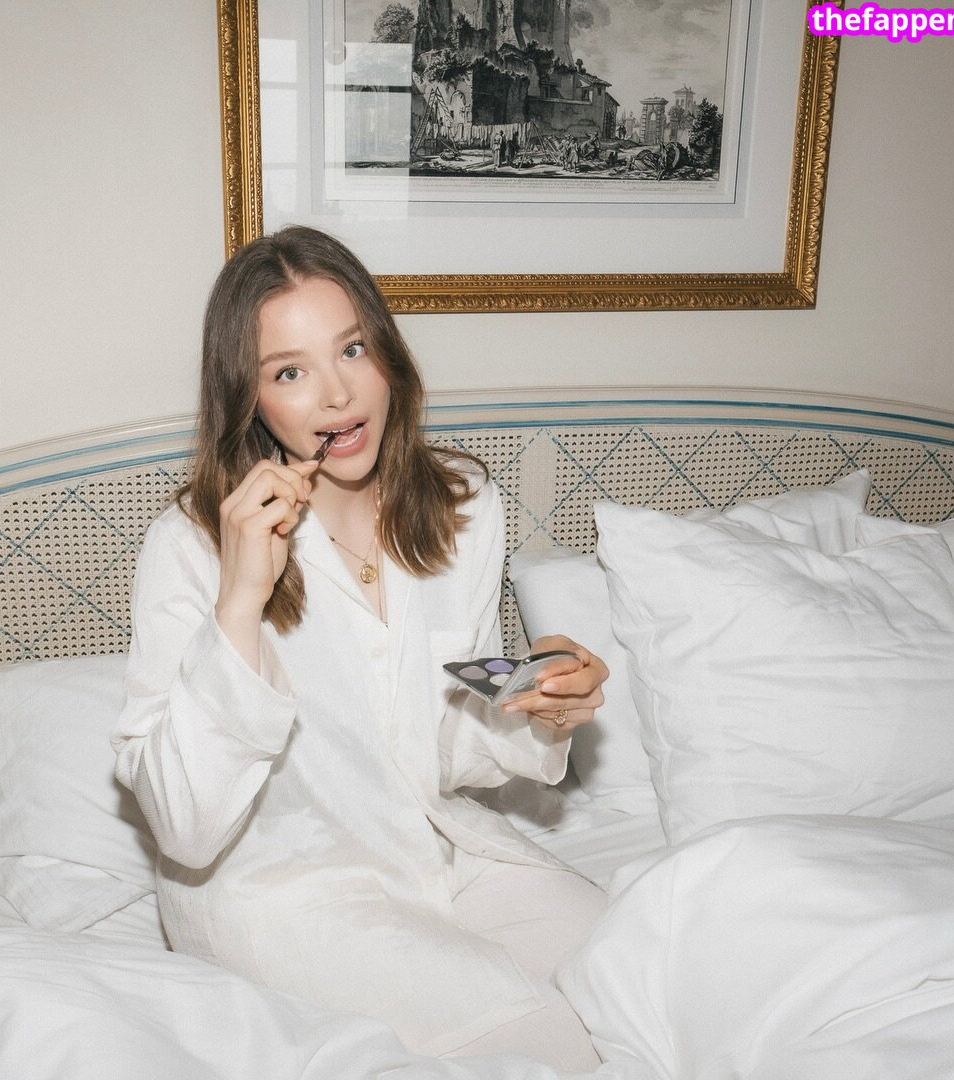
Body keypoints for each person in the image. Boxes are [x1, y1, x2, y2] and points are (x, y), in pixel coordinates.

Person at [112, 225, 610, 1071]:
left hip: (437, 848)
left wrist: (542, 699)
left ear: (387, 353)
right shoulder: (191, 545)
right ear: (248, 398)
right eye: (290, 372)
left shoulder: (461, 505)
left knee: (641, 963)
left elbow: (447, 732)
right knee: (549, 1043)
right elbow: (185, 827)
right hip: (284, 894)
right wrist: (241, 599)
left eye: (352, 349)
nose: (338, 394)